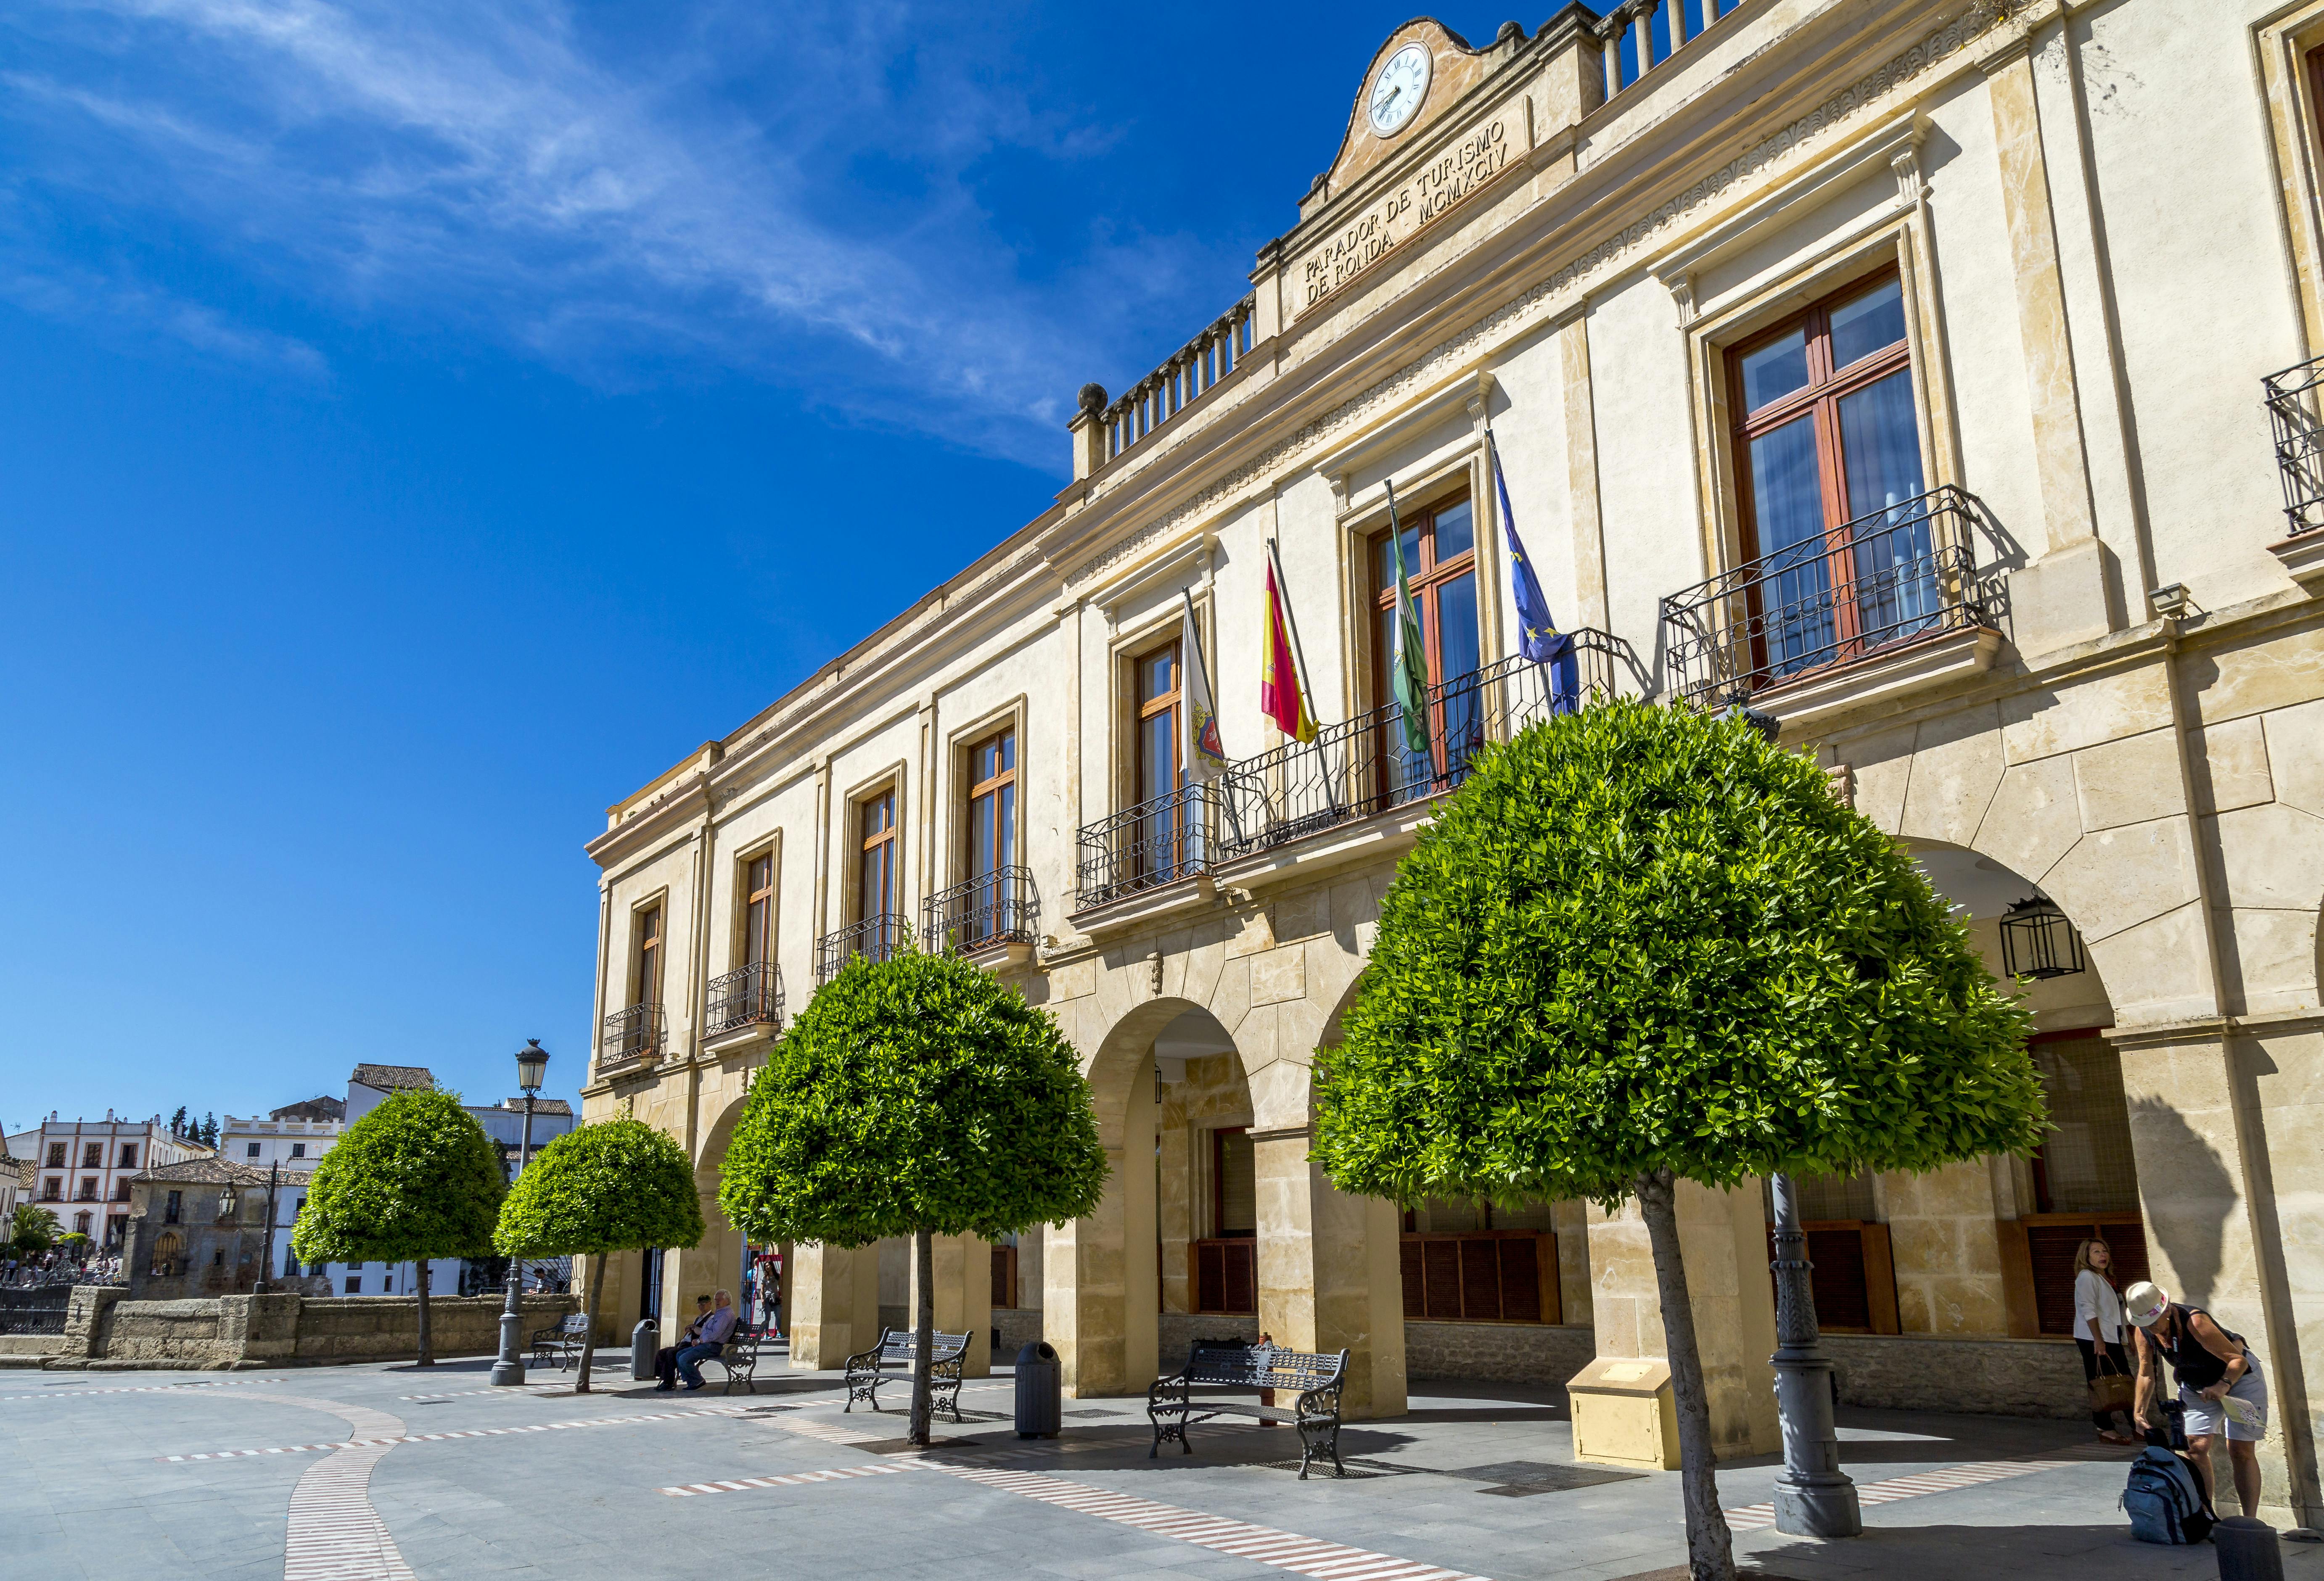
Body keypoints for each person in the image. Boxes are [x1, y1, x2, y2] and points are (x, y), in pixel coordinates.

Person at [2127, 1280, 2270, 1519]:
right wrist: (2138, 1412)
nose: (2152, 1329)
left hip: (2238, 1380)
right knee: (2194, 1447)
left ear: (2167, 1309)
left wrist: (2222, 1386)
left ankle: (2249, 1522)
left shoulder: (2195, 1322)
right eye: (2144, 1324)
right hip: (2195, 1384)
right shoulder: (2144, 1332)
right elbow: (2146, 1372)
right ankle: (2206, 1515)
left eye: (2154, 1322)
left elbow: (2238, 1361)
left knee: (2240, 1450)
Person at [2073, 1239, 2135, 1444]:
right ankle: (2106, 1428)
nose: (2103, 1255)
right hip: (2093, 1337)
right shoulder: (2086, 1277)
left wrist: (2130, 1337)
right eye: (2096, 1252)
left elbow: (2120, 1311)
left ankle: (2137, 1424)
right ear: (2087, 1257)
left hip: (2111, 1336)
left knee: (2124, 1378)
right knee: (2099, 1382)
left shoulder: (2106, 1278)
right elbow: (2087, 1309)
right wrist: (2098, 1340)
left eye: (2105, 1251)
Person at [672, 1289, 738, 1392]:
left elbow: (715, 1335)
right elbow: (707, 1330)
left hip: (713, 1346)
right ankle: (691, 1380)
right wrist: (698, 1336)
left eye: (719, 1300)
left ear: (727, 1300)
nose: (717, 1302)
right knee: (680, 1354)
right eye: (716, 1300)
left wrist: (699, 1341)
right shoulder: (720, 1313)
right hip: (708, 1344)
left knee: (684, 1359)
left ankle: (697, 1382)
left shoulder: (725, 1315)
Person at [653, 1295, 715, 1391]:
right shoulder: (698, 1318)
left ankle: (669, 1382)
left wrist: (694, 1328)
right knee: (661, 1353)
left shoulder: (711, 1318)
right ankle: (663, 1378)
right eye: (699, 1305)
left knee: (671, 1354)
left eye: (704, 1304)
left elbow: (705, 1332)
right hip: (684, 1343)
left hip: (693, 1344)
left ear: (710, 1304)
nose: (701, 1307)